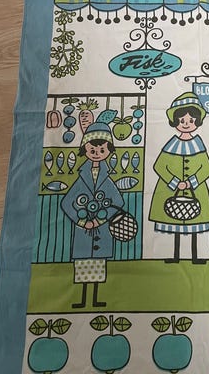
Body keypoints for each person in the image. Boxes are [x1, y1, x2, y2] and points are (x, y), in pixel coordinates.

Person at [61, 120, 123, 308]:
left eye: (102, 150)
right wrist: (81, 222)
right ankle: (82, 299)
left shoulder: (107, 177)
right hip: (83, 230)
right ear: (85, 149)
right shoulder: (81, 177)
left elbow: (118, 202)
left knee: (98, 266)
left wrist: (100, 220)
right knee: (82, 266)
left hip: (101, 229)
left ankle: (95, 299)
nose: (97, 153)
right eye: (93, 150)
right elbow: (66, 203)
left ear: (109, 151)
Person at [149, 92, 209, 264]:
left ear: (197, 122)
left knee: (194, 223)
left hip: (196, 191)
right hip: (170, 191)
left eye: (191, 120)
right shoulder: (171, 144)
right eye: (182, 120)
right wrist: (175, 182)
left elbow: (207, 168)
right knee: (175, 224)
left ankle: (195, 256)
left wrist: (191, 182)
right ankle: (175, 255)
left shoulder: (198, 144)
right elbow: (159, 166)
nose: (186, 124)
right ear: (175, 121)